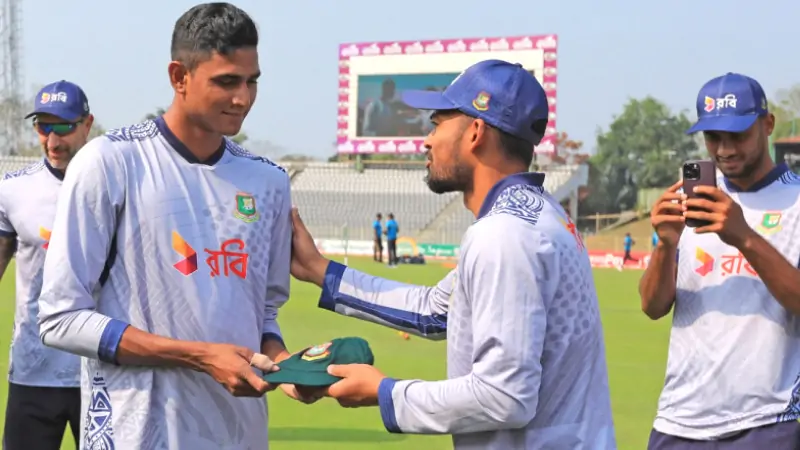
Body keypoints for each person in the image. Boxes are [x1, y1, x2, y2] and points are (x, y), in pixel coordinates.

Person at [290, 59, 616, 449]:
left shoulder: (504, 235)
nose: (426, 140)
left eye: (437, 122)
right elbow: (434, 311)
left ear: (475, 131)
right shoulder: (539, 214)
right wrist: (320, 270)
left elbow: (504, 398)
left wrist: (385, 393)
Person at [36, 4, 311, 449]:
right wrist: (200, 357)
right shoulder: (111, 163)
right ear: (179, 76)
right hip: (135, 432)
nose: (243, 97)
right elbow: (60, 318)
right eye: (226, 81)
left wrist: (286, 367)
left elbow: (262, 316)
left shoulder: (269, 181)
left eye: (251, 80)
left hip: (239, 435)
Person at [640, 72, 800, 449]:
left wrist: (743, 236)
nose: (725, 150)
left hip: (766, 423)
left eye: (738, 135)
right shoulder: (694, 199)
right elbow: (652, 306)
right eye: (714, 137)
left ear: (768, 124)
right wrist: (665, 245)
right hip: (678, 422)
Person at [0, 80, 93, 450]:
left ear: (87, 124)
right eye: (43, 126)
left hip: (101, 372)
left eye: (64, 127)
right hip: (33, 373)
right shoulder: (13, 191)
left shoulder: (119, 185)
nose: (53, 141)